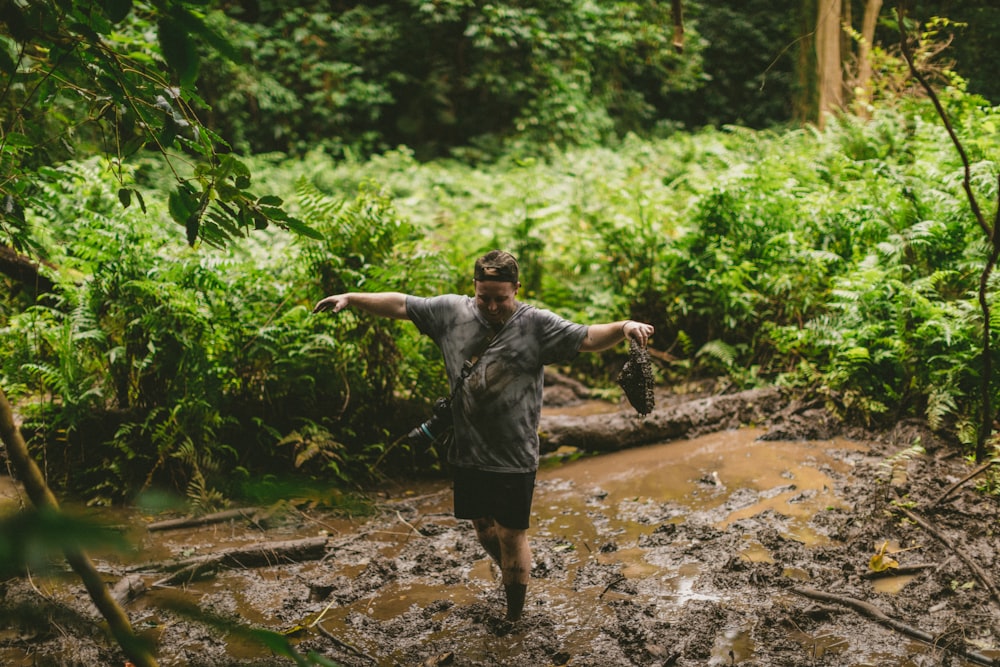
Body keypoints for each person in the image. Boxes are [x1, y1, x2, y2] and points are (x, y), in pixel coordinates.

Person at [313, 250, 653, 622]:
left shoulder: (536, 325)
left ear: (516, 289)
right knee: (483, 527)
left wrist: (622, 327)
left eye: (501, 298)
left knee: (510, 534)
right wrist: (350, 298)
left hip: (514, 454)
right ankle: (516, 570)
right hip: (467, 449)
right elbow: (400, 305)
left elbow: (586, 337)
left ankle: (514, 615)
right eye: (484, 297)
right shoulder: (450, 312)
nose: (491, 306)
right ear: (473, 287)